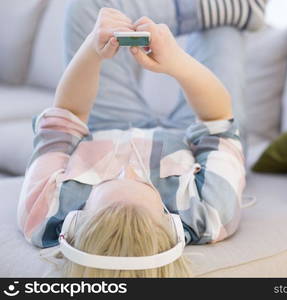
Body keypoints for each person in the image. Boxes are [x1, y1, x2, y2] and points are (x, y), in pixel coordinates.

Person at [17, 0, 267, 277]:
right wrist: (177, 63)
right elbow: (216, 119)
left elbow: (67, 116)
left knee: (87, 9)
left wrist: (91, 50)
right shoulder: (210, 212)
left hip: (107, 125)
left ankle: (229, 8)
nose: (130, 167)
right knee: (223, 33)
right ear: (172, 224)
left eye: (111, 179)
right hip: (193, 132)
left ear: (74, 222)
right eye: (145, 183)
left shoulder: (44, 213)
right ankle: (237, 10)